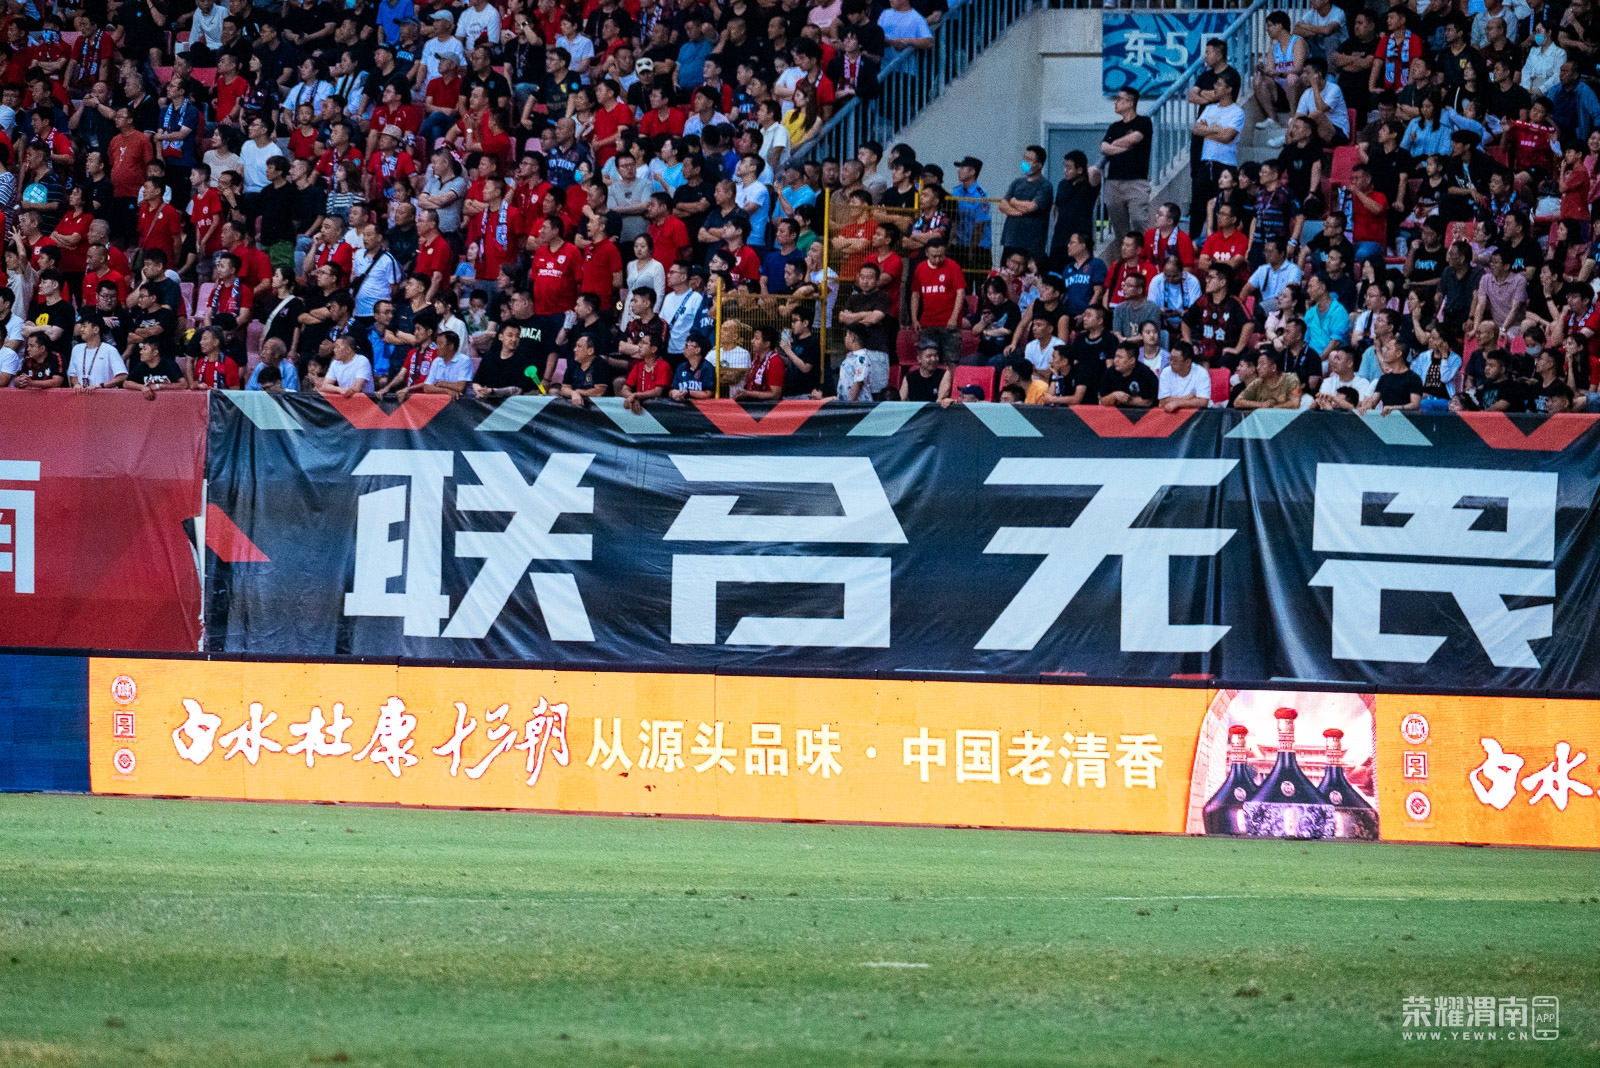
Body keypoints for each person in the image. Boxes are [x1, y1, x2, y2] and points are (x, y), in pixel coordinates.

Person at [1100, 87, 1153, 255]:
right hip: (1114, 181)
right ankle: (1125, 261)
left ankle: (1146, 257)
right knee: (1119, 226)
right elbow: (1104, 147)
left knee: (1139, 219)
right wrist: (1123, 148)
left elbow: (1135, 138)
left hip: (1136, 181)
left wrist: (1114, 145)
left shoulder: (1143, 122)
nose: (1115, 102)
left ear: (1130, 102)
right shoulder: (1114, 127)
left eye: (1119, 99)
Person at [910, 237, 965, 365]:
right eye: (934, 256)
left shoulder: (953, 267)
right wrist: (914, 318)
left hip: (949, 324)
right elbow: (915, 294)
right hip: (927, 322)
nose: (937, 259)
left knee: (951, 360)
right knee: (928, 360)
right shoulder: (920, 268)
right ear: (927, 254)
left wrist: (954, 317)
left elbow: (960, 293)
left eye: (941, 256)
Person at [997, 145, 1051, 267]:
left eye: (1029, 160)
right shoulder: (1017, 182)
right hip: (1010, 240)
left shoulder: (1045, 186)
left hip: (1031, 244)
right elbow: (1002, 205)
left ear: (1039, 165)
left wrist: (1013, 201)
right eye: (1024, 158)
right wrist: (1019, 212)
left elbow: (1031, 207)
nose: (1025, 162)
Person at [1233, 348, 1302, 410]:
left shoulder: (1291, 379)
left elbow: (1295, 403)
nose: (1258, 368)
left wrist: (1273, 408)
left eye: (1262, 364)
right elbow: (1237, 402)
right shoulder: (1257, 382)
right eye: (1258, 364)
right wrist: (1261, 405)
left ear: (1273, 368)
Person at [1097, 342, 1159, 408]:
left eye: (1120, 357)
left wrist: (1127, 400)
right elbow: (1102, 400)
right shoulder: (1109, 373)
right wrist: (1114, 395)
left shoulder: (1146, 374)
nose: (1115, 360)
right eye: (1115, 356)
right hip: (1116, 413)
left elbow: (1148, 401)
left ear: (1132, 360)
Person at [1157, 341, 1212, 411]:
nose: (1171, 363)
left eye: (1175, 360)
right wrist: (1189, 397)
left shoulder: (1201, 373)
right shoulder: (1166, 372)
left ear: (1187, 362)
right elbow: (1163, 402)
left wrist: (1177, 403)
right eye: (1170, 359)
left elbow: (1203, 402)